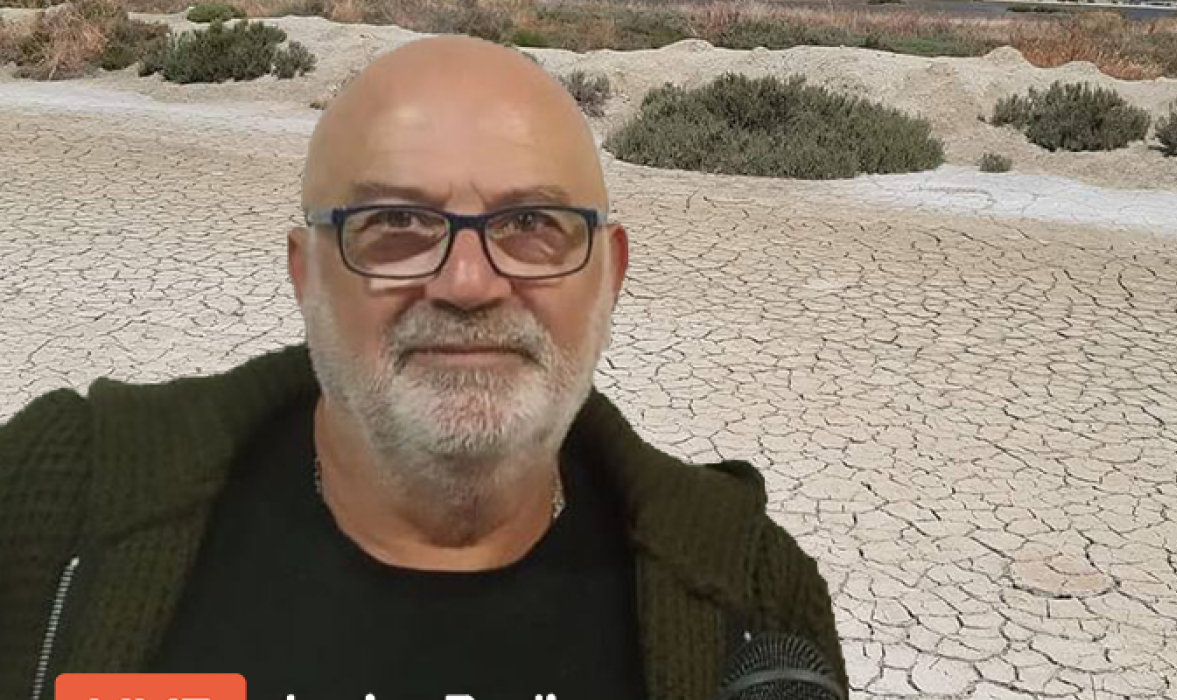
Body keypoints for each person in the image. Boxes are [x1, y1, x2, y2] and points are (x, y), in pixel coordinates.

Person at [0, 36, 847, 700]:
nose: (468, 283)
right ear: (305, 274)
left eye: (533, 225)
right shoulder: (61, 494)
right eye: (396, 224)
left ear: (608, 275)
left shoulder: (753, 596)